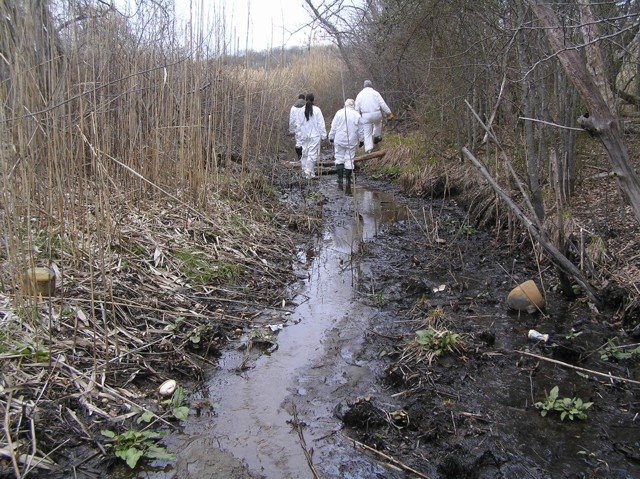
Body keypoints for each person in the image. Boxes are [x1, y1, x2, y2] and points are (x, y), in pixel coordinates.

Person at [329, 99, 363, 188]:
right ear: (353, 105)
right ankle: (348, 179)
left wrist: (331, 137)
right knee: (349, 159)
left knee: (339, 158)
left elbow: (333, 127)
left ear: (345, 105)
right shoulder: (357, 115)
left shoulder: (339, 113)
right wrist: (362, 140)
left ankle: (340, 179)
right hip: (351, 141)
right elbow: (361, 130)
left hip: (339, 140)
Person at [355, 80, 394, 153]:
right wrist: (389, 113)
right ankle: (376, 136)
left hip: (365, 115)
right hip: (377, 113)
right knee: (378, 124)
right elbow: (382, 104)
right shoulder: (376, 93)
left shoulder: (360, 95)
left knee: (367, 133)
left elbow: (356, 108)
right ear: (371, 85)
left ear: (364, 86)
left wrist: (357, 118)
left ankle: (369, 149)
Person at [295, 93, 327, 179]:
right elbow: (321, 124)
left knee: (305, 154)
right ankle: (308, 173)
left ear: (305, 100)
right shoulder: (317, 110)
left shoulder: (301, 110)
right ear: (313, 100)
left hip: (304, 136)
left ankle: (307, 172)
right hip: (314, 136)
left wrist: (298, 136)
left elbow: (298, 125)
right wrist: (324, 136)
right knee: (312, 155)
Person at [289, 94, 306, 160]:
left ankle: (300, 157)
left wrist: (291, 130)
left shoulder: (293, 107)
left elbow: (291, 119)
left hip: (297, 127)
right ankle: (305, 159)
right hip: (306, 127)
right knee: (305, 143)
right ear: (304, 99)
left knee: (298, 143)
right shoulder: (306, 106)